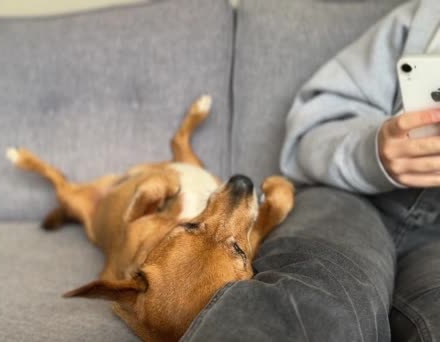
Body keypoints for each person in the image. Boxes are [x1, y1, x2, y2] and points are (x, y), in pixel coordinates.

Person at [182, 0, 440, 341]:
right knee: (311, 291)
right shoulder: (425, 18)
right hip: (349, 199)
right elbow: (308, 136)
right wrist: (372, 149)